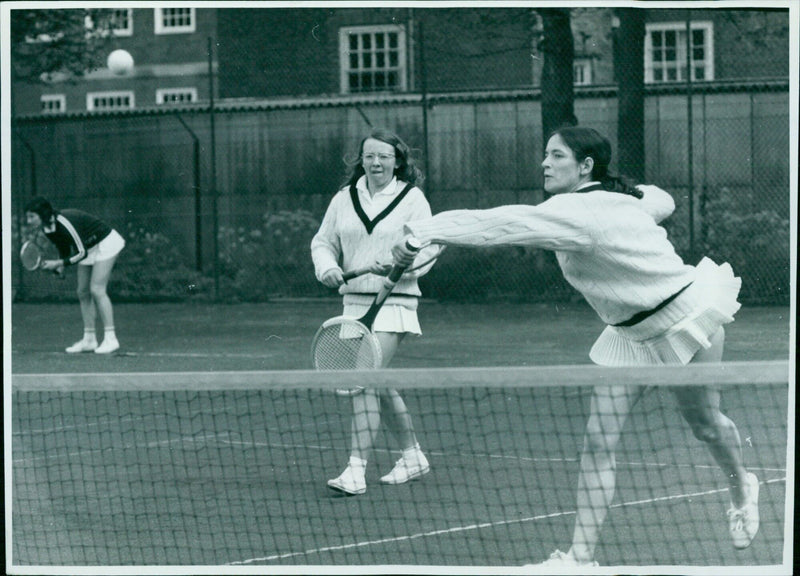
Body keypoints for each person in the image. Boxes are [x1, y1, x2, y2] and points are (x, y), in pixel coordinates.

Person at [392, 126, 758, 565]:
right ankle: (580, 559)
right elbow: (662, 199)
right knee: (598, 442)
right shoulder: (602, 203)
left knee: (704, 425)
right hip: (629, 337)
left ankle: (742, 490)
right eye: (545, 155)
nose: (545, 163)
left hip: (686, 318)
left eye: (557, 155)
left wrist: (422, 231)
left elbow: (497, 223)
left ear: (585, 166)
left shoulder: (578, 212)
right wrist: (633, 194)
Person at [311, 129, 438, 496]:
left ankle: (355, 470)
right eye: (369, 156)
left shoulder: (412, 199)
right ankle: (413, 456)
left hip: (395, 302)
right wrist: (327, 268)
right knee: (376, 380)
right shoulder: (343, 198)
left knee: (363, 378)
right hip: (355, 305)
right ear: (361, 160)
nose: (376, 163)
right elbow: (323, 242)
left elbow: (429, 245)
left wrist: (402, 266)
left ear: (397, 160)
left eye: (384, 156)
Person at [24, 197, 126, 354]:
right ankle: (90, 339)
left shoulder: (64, 223)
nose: (28, 220)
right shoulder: (47, 228)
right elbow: (63, 246)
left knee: (97, 289)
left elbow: (81, 252)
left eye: (32, 216)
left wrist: (58, 263)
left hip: (106, 242)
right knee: (83, 291)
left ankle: (111, 339)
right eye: (28, 217)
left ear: (42, 214)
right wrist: (60, 268)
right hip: (89, 247)